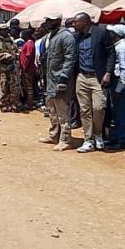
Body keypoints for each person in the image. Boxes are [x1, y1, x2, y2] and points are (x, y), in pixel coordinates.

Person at [72, 12, 115, 153]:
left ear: (84, 22)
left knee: (99, 108)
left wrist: (108, 73)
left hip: (98, 77)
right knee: (84, 110)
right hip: (82, 77)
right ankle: (88, 140)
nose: (73, 24)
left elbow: (111, 53)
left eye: (75, 22)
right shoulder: (77, 37)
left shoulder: (101, 33)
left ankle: (98, 135)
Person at [38, 12, 77, 151]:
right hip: (50, 79)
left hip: (61, 80)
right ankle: (54, 134)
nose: (47, 23)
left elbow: (70, 59)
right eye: (47, 20)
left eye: (50, 20)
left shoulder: (66, 36)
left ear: (58, 21)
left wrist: (64, 77)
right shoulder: (52, 36)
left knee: (62, 112)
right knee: (52, 110)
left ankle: (65, 139)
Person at [105, 24, 125, 150]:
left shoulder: (122, 47)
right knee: (116, 111)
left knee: (121, 112)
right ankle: (115, 137)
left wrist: (119, 88)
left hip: (119, 82)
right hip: (116, 81)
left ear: (115, 34)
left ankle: (122, 140)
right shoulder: (117, 46)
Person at [0, 23, 20, 112]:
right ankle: (4, 105)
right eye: (3, 30)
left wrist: (16, 55)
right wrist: (7, 56)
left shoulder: (11, 40)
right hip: (2, 66)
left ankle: (13, 104)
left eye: (6, 29)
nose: (5, 31)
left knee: (13, 85)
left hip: (12, 66)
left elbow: (16, 50)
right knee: (4, 85)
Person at [19, 29, 36, 110]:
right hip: (26, 68)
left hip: (28, 69)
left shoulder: (29, 44)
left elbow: (28, 56)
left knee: (29, 86)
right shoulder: (28, 43)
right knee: (26, 85)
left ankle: (29, 103)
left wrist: (25, 67)